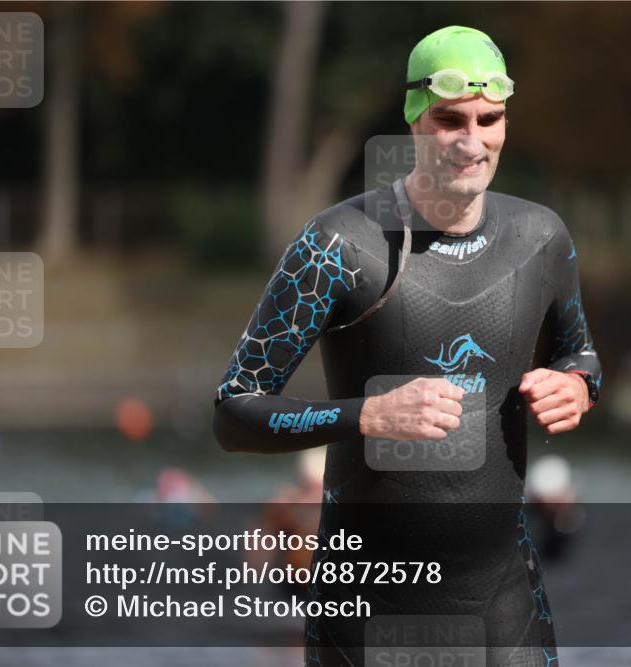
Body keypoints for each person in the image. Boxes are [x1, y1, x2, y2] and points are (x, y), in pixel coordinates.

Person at [213, 25, 601, 667]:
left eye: (490, 119)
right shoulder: (338, 245)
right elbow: (234, 413)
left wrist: (577, 384)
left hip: (505, 610)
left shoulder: (542, 238)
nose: (472, 141)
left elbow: (580, 353)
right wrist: (365, 416)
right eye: (451, 119)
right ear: (415, 120)